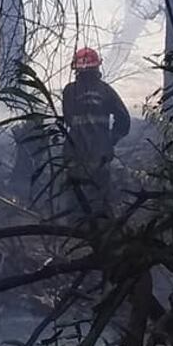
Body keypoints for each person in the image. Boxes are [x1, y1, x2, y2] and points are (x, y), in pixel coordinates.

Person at [61, 47, 130, 221]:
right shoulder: (106, 91)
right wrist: (111, 140)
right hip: (100, 152)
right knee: (100, 196)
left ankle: (75, 232)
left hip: (75, 152)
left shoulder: (69, 91)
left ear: (76, 69)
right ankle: (102, 233)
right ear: (97, 68)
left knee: (75, 195)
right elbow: (124, 120)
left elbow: (68, 119)